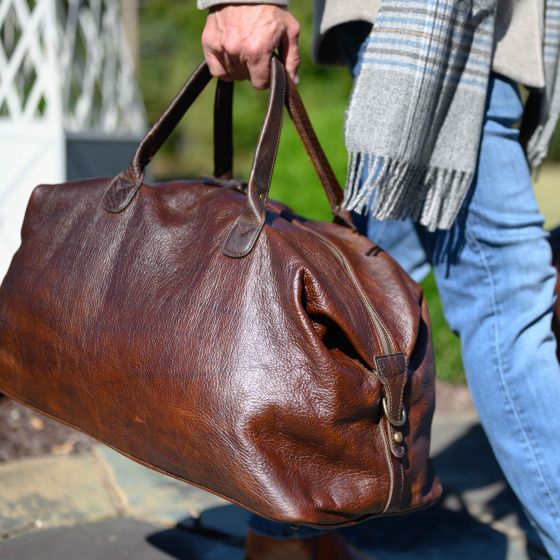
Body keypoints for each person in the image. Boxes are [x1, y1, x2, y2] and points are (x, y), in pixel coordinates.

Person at [198, 2, 560, 559]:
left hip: (456, 34)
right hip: (438, 32)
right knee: (506, 300)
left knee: (362, 293)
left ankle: (284, 537)